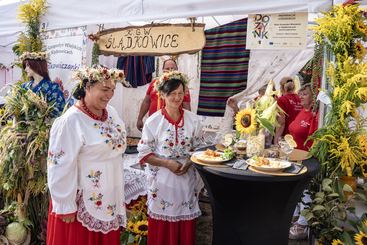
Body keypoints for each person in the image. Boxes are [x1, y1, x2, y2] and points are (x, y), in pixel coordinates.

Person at [46, 66, 128, 245]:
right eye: (104, 89)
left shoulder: (111, 113)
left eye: (112, 89)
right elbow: (59, 165)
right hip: (81, 205)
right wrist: (65, 205)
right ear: (87, 87)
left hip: (109, 199)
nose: (109, 95)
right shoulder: (71, 121)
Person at [137, 71, 204, 245]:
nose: (177, 97)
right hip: (162, 182)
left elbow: (200, 148)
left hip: (186, 181)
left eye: (180, 93)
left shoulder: (193, 121)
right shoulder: (153, 121)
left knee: (185, 225)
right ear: (163, 95)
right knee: (163, 228)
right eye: (172, 94)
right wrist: (167, 163)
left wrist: (189, 163)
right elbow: (144, 152)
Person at [288, 83, 318, 240]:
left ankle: (303, 224)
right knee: (298, 189)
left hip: (307, 158)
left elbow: (315, 139)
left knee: (305, 190)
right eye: (300, 94)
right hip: (296, 157)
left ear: (313, 97)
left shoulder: (315, 115)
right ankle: (295, 216)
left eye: (304, 94)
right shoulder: (302, 112)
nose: (300, 97)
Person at [136, 59, 191, 131]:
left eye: (173, 68)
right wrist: (140, 118)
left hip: (172, 124)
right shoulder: (155, 83)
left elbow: (186, 105)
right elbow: (146, 101)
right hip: (154, 122)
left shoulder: (182, 86)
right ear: (163, 70)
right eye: (167, 69)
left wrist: (188, 123)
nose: (170, 70)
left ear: (177, 70)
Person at [20, 51, 65, 117]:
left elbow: (59, 109)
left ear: (36, 65)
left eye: (27, 66)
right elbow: (18, 109)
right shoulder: (24, 87)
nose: (25, 69)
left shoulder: (53, 87)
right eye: (25, 66)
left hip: (46, 125)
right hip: (25, 125)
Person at [274, 76, 302, 145]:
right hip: (299, 136)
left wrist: (276, 140)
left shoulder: (282, 100)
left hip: (286, 138)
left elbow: (281, 122)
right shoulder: (301, 98)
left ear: (282, 88)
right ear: (294, 87)